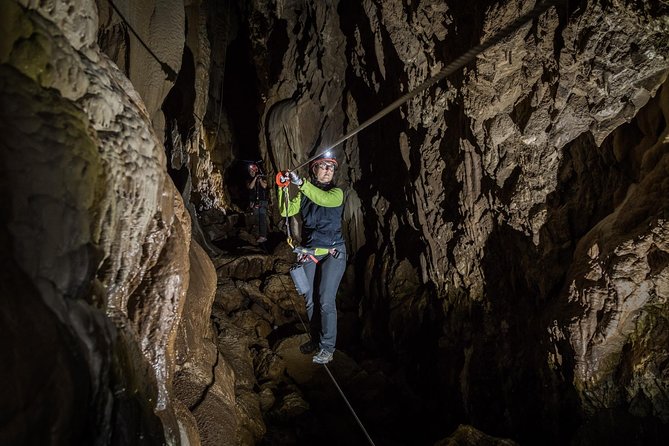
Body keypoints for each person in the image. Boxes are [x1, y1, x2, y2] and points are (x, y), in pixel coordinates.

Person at [278, 152, 346, 364]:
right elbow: (286, 210)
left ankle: (328, 347)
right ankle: (316, 339)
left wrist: (301, 183)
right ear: (313, 169)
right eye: (323, 166)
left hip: (333, 252)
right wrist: (282, 188)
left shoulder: (337, 193)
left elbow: (322, 199)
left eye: (331, 167)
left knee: (325, 299)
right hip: (310, 252)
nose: (327, 170)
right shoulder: (304, 194)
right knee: (310, 300)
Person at [247, 163, 268, 243]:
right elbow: (250, 187)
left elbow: (265, 186)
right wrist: (255, 178)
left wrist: (260, 179)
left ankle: (263, 236)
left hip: (262, 201)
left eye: (253, 171)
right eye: (251, 171)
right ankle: (257, 235)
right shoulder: (249, 180)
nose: (252, 172)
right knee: (256, 219)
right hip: (254, 202)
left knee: (262, 218)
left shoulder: (262, 178)